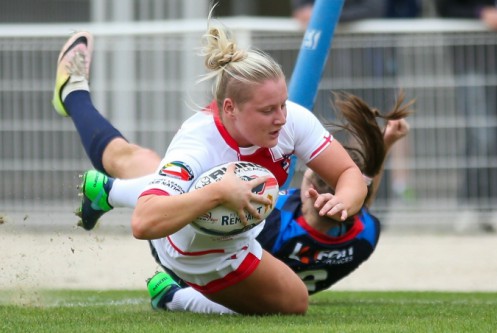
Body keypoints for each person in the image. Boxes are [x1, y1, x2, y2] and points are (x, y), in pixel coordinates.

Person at [52, 8, 367, 315]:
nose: (281, 118)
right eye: (268, 110)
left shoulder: (291, 120)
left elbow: (347, 173)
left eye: (283, 104)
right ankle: (175, 297)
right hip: (191, 248)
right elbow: (144, 222)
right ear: (230, 108)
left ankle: (77, 105)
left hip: (230, 222)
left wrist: (343, 202)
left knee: (129, 157)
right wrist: (217, 193)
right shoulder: (197, 145)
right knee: (295, 303)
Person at [76, 91, 412, 313]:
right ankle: (169, 293)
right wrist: (384, 146)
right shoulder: (365, 235)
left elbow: (220, 223)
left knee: (142, 161)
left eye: (307, 177)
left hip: (186, 237)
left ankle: (114, 189)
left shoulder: (277, 223)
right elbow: (360, 200)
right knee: (147, 162)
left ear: (310, 193)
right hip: (210, 246)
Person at [435, 0, 497, 212]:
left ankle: (482, 204)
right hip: (471, 58)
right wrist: (481, 12)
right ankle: (475, 203)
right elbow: (445, 6)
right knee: (482, 136)